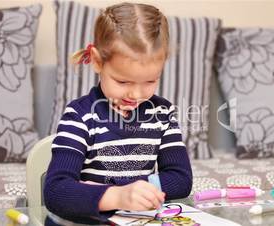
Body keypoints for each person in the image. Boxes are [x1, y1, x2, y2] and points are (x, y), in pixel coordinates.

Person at [43, 2, 192, 225]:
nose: (135, 94)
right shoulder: (80, 115)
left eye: (150, 81)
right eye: (122, 81)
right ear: (97, 61)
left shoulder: (162, 113)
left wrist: (134, 191)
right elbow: (56, 191)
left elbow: (181, 179)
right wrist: (116, 195)